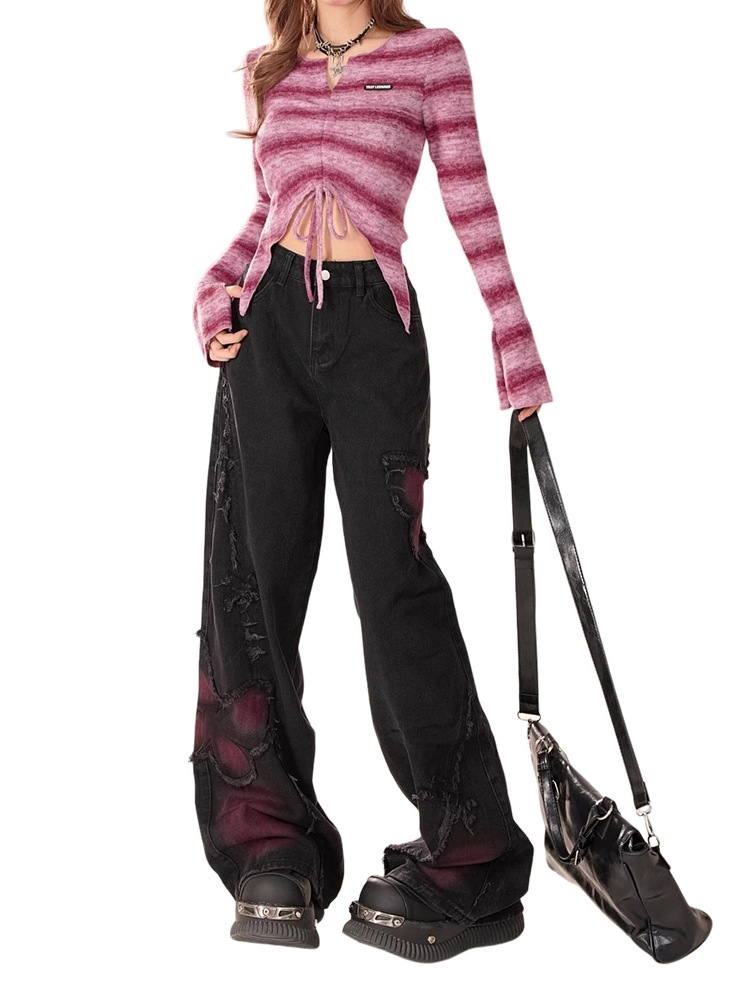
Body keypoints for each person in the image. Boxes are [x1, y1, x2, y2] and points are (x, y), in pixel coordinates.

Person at [190, 0, 553, 963]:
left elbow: (473, 208)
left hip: (374, 336)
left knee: (395, 585)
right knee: (252, 583)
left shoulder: (431, 57)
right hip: (267, 333)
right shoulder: (274, 69)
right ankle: (271, 847)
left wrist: (515, 350)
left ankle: (471, 852)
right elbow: (266, 216)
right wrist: (213, 292)